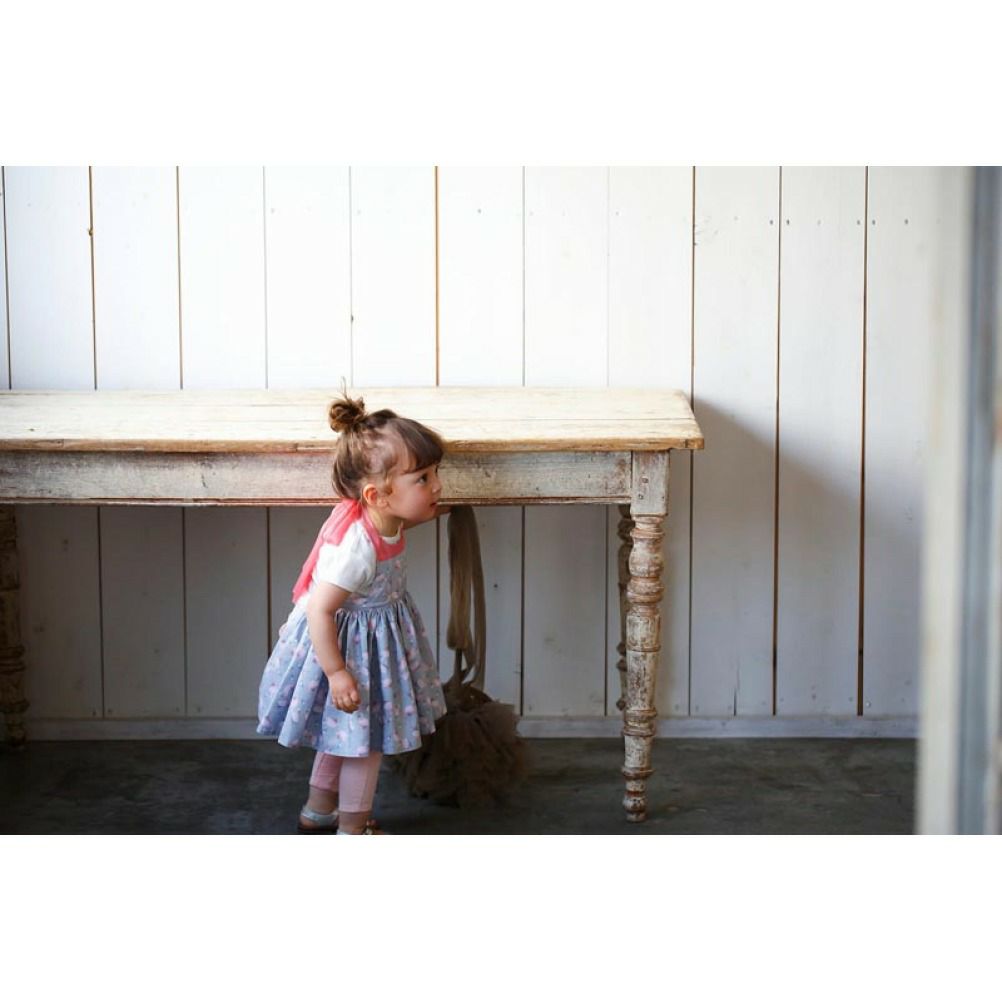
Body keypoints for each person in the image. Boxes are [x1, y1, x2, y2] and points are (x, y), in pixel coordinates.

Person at [257, 390, 450, 834]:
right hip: (350, 654)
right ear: (377, 495)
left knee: (342, 735)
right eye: (423, 478)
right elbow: (319, 610)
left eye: (435, 473)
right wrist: (337, 672)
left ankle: (317, 810)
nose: (437, 485)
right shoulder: (357, 549)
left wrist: (435, 510)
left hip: (370, 645)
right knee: (366, 744)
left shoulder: (381, 517)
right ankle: (353, 827)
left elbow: (402, 521)